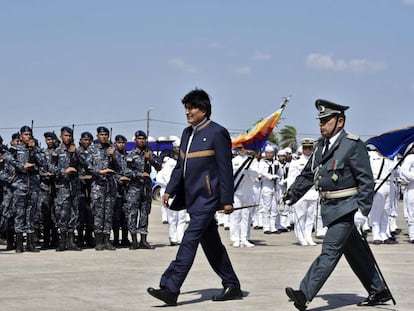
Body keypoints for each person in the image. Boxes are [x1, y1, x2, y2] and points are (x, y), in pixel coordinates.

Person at [284, 99, 392, 310]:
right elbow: (308, 175)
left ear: (340, 122)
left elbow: (366, 180)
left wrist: (363, 210)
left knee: (330, 251)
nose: (321, 124)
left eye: (326, 120)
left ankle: (304, 293)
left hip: (347, 208)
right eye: (320, 121)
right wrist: (291, 195)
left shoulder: (352, 145)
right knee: (355, 252)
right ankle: (378, 290)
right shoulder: (319, 147)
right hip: (329, 208)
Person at [147, 89, 242, 306]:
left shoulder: (218, 133)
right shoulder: (187, 133)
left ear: (204, 109)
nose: (187, 112)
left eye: (191, 108)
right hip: (191, 198)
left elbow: (225, 169)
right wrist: (169, 190)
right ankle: (232, 284)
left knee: (188, 241)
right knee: (212, 245)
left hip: (208, 198)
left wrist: (227, 200)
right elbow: (180, 167)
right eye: (186, 108)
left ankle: (170, 288)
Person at [123, 130, 161, 249]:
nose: (141, 141)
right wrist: (139, 174)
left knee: (145, 213)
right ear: (135, 140)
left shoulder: (149, 153)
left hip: (146, 188)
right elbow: (126, 171)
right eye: (139, 139)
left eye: (143, 139)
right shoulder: (131, 154)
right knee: (132, 214)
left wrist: (150, 159)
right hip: (134, 188)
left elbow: (159, 166)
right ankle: (134, 240)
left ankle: (143, 240)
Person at [88, 126, 121, 251]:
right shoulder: (92, 149)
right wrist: (101, 171)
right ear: (97, 136)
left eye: (106, 135)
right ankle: (98, 241)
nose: (104, 137)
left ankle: (107, 240)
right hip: (98, 186)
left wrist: (113, 157)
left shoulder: (112, 149)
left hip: (110, 186)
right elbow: (88, 167)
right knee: (98, 213)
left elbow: (119, 168)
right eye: (102, 134)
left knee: (108, 214)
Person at [52, 127, 82, 251]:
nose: (68, 138)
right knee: (62, 214)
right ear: (61, 137)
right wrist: (64, 171)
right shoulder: (56, 151)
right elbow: (51, 168)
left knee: (74, 214)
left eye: (69, 136)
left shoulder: (75, 150)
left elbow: (86, 165)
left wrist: (76, 153)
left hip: (74, 186)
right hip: (62, 187)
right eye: (65, 136)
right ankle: (62, 241)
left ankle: (71, 241)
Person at [286, 138, 318, 246]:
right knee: (300, 216)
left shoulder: (316, 162)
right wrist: (290, 193)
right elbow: (291, 178)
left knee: (310, 216)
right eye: (306, 148)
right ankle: (300, 237)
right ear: (302, 149)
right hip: (300, 193)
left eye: (310, 148)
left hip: (313, 191)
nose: (308, 150)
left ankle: (308, 236)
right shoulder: (296, 163)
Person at [156, 139, 187, 246]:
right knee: (172, 217)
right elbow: (162, 177)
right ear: (174, 148)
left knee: (182, 217)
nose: (179, 149)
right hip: (171, 191)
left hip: (182, 191)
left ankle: (181, 238)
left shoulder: (185, 160)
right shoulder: (169, 162)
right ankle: (173, 238)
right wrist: (169, 189)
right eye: (178, 147)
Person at [230, 144, 258, 247]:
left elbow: (256, 175)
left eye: (244, 148)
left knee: (246, 216)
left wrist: (249, 171)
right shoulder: (233, 161)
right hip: (236, 191)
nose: (242, 150)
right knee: (236, 216)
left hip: (248, 191)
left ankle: (244, 238)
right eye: (239, 148)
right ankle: (235, 238)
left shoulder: (252, 160)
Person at [399, 147, 414, 243]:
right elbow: (403, 170)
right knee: (412, 212)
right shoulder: (410, 157)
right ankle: (413, 235)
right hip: (413, 186)